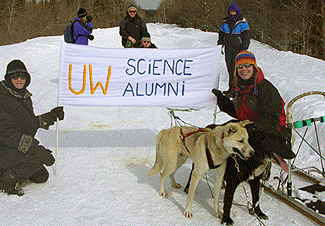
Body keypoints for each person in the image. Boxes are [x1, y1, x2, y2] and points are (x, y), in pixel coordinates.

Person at [212, 51, 295, 161]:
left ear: (254, 67)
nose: (244, 69)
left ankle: (256, 165)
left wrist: (251, 128)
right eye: (240, 66)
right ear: (236, 70)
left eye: (248, 65)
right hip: (251, 126)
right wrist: (222, 100)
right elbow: (239, 112)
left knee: (239, 140)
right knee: (219, 132)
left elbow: (271, 118)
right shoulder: (240, 87)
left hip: (273, 130)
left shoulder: (265, 88)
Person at [0, 59, 64, 196]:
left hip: (14, 148)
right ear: (8, 78)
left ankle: (8, 170)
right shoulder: (3, 98)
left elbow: (28, 123)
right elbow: (5, 133)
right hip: (4, 148)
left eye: (22, 76)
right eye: (14, 76)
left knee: (41, 176)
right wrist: (36, 149)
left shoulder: (23, 96)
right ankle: (6, 181)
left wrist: (51, 116)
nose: (19, 79)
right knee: (37, 160)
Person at [217, 2, 251, 98]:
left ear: (237, 12)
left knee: (237, 70)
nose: (232, 14)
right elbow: (221, 33)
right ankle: (231, 89)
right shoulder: (225, 22)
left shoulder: (243, 22)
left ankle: (238, 90)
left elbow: (247, 36)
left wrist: (244, 47)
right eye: (231, 12)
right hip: (228, 48)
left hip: (238, 49)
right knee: (230, 69)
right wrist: (220, 43)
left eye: (234, 12)